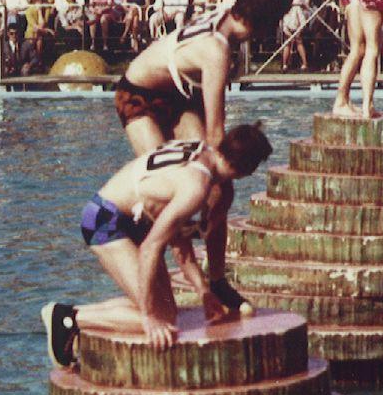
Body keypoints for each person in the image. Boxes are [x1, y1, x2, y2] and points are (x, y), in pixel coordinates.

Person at [41, 124, 274, 364]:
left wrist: (203, 291)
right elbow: (150, 248)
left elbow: (179, 244)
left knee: (168, 313)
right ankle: (69, 319)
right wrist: (149, 317)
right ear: (247, 169)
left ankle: (73, 316)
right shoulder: (196, 187)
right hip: (106, 221)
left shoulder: (199, 150)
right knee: (156, 319)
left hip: (132, 222)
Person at [114, 0, 290, 154]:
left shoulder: (223, 16)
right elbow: (215, 133)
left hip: (175, 94)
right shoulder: (217, 50)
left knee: (200, 157)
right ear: (267, 22)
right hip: (135, 94)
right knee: (161, 167)